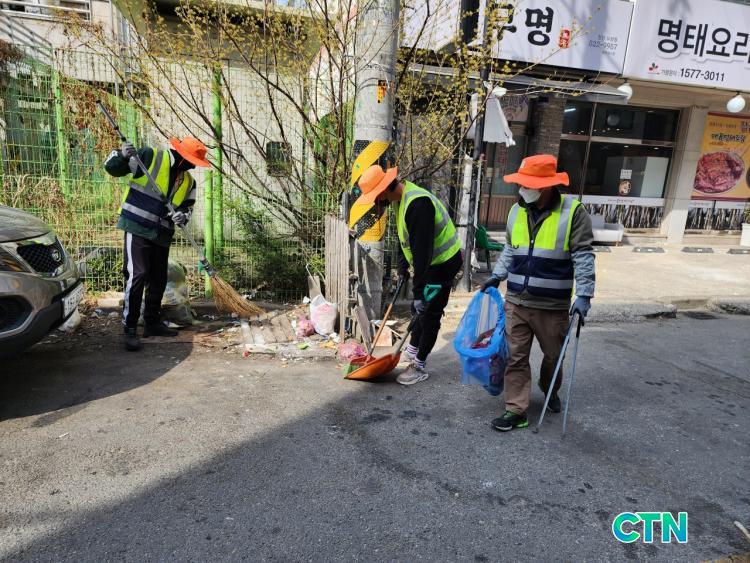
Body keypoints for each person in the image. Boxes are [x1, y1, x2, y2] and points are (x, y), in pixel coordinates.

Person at [482, 154, 595, 431]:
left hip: (552, 305)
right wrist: (497, 276)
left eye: (527, 184)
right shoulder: (516, 211)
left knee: (553, 357)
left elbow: (583, 254)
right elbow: (511, 250)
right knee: (516, 357)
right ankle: (515, 410)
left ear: (545, 186)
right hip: (517, 301)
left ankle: (550, 388)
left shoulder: (573, 212)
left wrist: (584, 295)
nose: (522, 189)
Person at [353, 165, 462, 385]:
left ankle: (419, 364)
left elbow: (422, 254)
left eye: (376, 197)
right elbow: (405, 240)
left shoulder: (419, 205)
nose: (376, 203)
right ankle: (412, 349)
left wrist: (419, 293)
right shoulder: (399, 200)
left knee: (429, 313)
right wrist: (402, 269)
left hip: (443, 263)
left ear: (385, 190)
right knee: (418, 311)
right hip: (430, 263)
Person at [104, 136, 210, 351]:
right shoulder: (149, 157)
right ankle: (130, 328)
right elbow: (113, 169)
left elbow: (188, 206)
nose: (192, 166)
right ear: (181, 156)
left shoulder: (189, 182)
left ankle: (152, 323)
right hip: (137, 226)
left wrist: (182, 215)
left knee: (158, 278)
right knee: (138, 274)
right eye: (190, 162)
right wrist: (122, 155)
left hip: (162, 233)